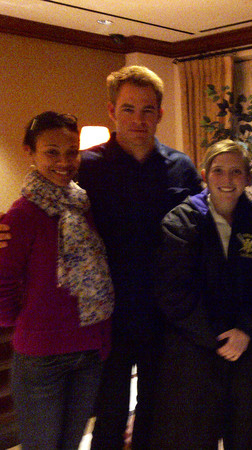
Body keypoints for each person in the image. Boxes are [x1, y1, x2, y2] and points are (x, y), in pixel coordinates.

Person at [78, 66, 202, 449]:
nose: (138, 119)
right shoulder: (87, 167)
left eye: (148, 110)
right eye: (128, 109)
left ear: (160, 114)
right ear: (112, 111)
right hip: (109, 312)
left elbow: (203, 232)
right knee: (109, 411)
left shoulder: (181, 167)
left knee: (156, 408)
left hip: (163, 311)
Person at [150, 140, 252, 449]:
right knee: (194, 438)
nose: (227, 179)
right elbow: (173, 292)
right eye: (218, 171)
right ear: (205, 175)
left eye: (236, 171)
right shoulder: (180, 221)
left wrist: (246, 330)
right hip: (194, 352)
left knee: (245, 438)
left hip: (246, 353)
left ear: (248, 177)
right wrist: (216, 337)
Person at [0, 112, 114, 448]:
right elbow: (3, 285)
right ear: (30, 152)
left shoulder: (83, 205)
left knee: (72, 443)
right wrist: (33, 324)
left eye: (71, 152)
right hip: (42, 358)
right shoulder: (21, 216)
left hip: (88, 350)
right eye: (52, 152)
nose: (64, 162)